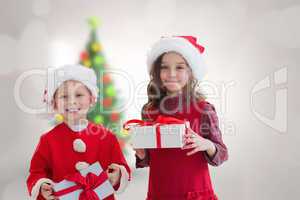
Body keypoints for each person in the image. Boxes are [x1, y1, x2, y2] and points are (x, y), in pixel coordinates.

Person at [135, 36, 228, 200]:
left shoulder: (203, 110)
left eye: (179, 67)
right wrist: (142, 155)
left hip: (194, 193)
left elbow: (221, 154)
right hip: (160, 193)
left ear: (191, 72)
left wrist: (207, 144)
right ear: (157, 72)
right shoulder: (149, 111)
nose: (171, 74)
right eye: (164, 67)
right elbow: (150, 158)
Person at [27, 64, 130, 200]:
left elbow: (121, 166)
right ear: (54, 104)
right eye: (64, 97)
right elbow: (37, 172)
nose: (72, 102)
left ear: (91, 99)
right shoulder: (48, 140)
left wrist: (118, 175)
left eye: (79, 95)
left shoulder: (107, 137)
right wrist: (42, 186)